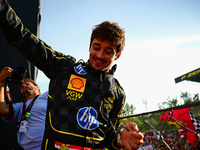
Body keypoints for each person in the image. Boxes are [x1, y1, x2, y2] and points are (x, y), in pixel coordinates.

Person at [0, 1, 144, 149]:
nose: (100, 55)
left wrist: (119, 140)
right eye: (96, 47)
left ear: (118, 55)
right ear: (89, 46)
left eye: (108, 51)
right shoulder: (65, 68)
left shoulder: (117, 93)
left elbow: (108, 139)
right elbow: (22, 37)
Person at [0, 67, 48, 150]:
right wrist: (1, 83)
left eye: (27, 84)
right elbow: (3, 110)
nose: (23, 85)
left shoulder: (46, 97)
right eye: (21, 86)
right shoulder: (20, 106)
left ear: (37, 87)